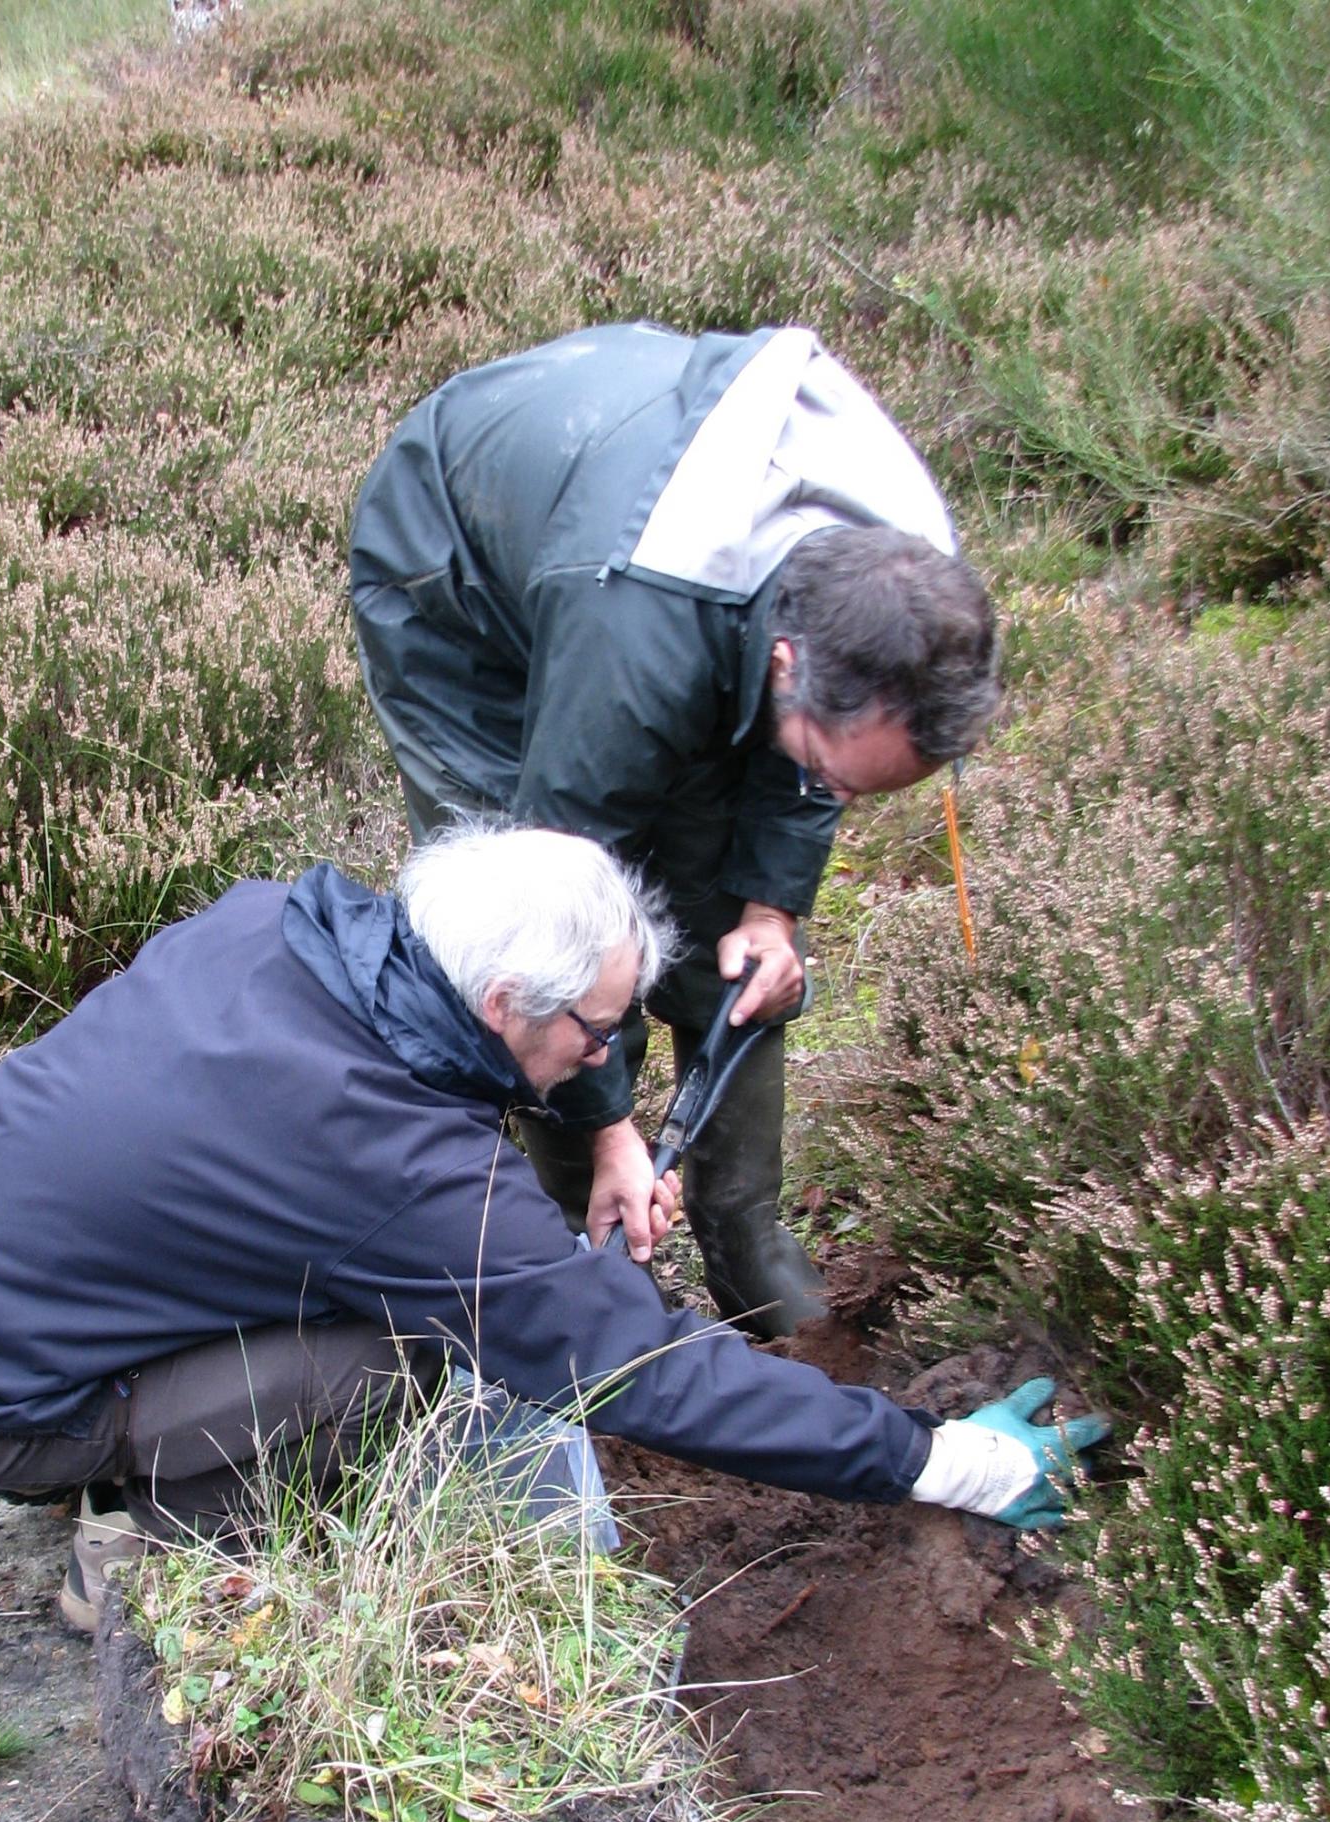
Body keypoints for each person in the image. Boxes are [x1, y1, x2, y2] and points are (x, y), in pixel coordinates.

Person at [0, 826, 1100, 1632]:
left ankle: (137, 1438)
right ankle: (146, 1552)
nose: (606, 1060)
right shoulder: (396, 1172)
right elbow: (643, 1371)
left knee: (384, 1303)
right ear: (506, 1001)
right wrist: (946, 1459)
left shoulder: (284, 930)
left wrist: (585, 1144)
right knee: (406, 1354)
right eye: (597, 1035)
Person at [349, 322, 1001, 1338]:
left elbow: (807, 771)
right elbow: (553, 903)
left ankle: (746, 1240)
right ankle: (591, 1250)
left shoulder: (908, 589)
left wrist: (771, 912)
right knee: (527, 935)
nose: (833, 793)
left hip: (661, 563)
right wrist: (611, 1124)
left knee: (714, 921)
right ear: (785, 663)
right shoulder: (639, 634)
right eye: (829, 772)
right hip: (459, 571)